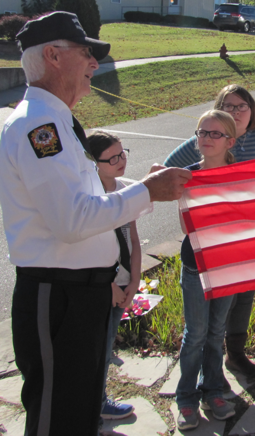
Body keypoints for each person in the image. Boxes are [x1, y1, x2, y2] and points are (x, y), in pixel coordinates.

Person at [0, 12, 191, 436]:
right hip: (59, 298)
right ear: (52, 55)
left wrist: (147, 185)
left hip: (79, 295)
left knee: (80, 411)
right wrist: (147, 192)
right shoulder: (39, 125)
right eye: (86, 53)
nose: (93, 63)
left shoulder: (58, 121)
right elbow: (72, 220)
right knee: (57, 418)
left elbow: (86, 197)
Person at [165, 84, 255, 379]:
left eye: (241, 106)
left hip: (250, 237)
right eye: (228, 106)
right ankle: (202, 377)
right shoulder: (205, 139)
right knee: (202, 321)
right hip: (208, 242)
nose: (235, 111)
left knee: (243, 297)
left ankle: (235, 354)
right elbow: (168, 169)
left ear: (251, 110)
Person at [176, 110, 238, 431]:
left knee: (217, 333)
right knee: (196, 334)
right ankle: (186, 397)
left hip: (229, 265)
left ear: (230, 140)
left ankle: (212, 389)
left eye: (216, 134)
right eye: (202, 132)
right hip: (196, 265)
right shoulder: (186, 176)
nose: (207, 139)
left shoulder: (242, 174)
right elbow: (186, 225)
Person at [88, 131, 139, 424]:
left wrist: (133, 281)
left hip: (123, 282)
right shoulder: (90, 198)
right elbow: (88, 247)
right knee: (94, 348)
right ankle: (92, 404)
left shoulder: (124, 190)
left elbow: (132, 237)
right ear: (94, 163)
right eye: (113, 158)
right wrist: (108, 286)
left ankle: (98, 400)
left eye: (123, 153)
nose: (121, 161)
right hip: (100, 284)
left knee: (106, 345)